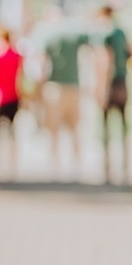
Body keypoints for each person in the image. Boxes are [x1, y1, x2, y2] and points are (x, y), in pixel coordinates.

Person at [39, 13, 89, 178]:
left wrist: (39, 88)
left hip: (54, 88)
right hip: (73, 87)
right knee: (75, 128)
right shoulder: (75, 36)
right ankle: (77, 166)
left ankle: (54, 166)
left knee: (53, 130)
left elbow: (43, 64)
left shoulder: (49, 37)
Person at [96, 4, 131, 184]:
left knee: (106, 128)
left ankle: (107, 168)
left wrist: (101, 89)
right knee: (124, 127)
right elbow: (130, 52)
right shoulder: (120, 33)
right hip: (123, 83)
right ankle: (126, 166)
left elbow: (105, 61)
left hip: (110, 85)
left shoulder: (106, 34)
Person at [0, 26, 24, 178]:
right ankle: (12, 166)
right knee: (13, 132)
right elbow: (20, 77)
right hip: (14, 97)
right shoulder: (16, 55)